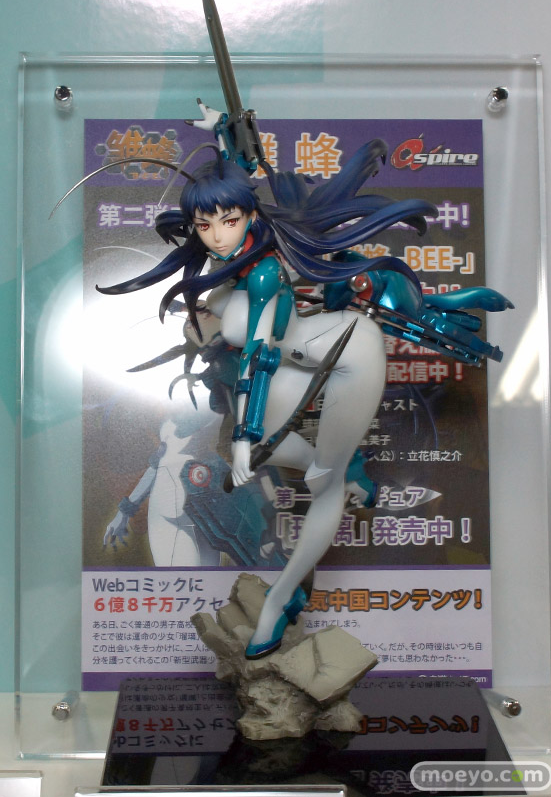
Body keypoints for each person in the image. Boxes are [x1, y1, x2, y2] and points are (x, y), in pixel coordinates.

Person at [97, 140, 440, 658]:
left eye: (228, 221)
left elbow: (257, 358)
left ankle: (282, 599)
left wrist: (242, 440)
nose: (216, 235)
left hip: (351, 358)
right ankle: (348, 467)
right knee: (273, 451)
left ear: (250, 216)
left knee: (321, 482)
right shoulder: (235, 260)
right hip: (300, 362)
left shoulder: (262, 273)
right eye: (204, 225)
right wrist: (223, 136)